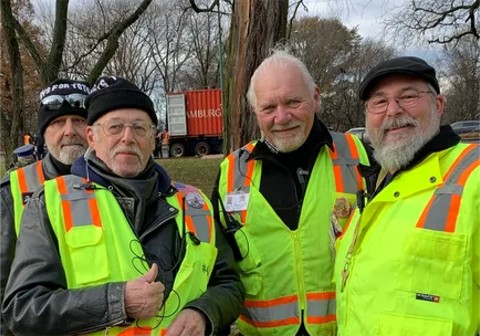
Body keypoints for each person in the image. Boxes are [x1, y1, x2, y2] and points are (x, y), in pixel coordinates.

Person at [2, 75, 244, 336]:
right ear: (92, 137)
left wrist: (204, 312)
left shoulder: (195, 204)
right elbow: (23, 309)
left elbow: (229, 284)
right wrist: (117, 302)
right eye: (115, 127)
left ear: (155, 139)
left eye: (139, 128)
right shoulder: (50, 202)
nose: (128, 138)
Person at [212, 50, 369, 335]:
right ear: (255, 111)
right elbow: (217, 271)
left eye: (293, 101)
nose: (281, 117)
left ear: (316, 98)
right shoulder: (231, 171)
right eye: (268, 108)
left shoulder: (361, 157)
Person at [334, 56, 480, 335]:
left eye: (408, 96)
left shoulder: (473, 177)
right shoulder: (378, 185)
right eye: (379, 101)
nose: (393, 111)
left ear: (438, 105)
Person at [0, 78, 90, 336]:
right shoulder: (13, 190)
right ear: (44, 133)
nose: (70, 131)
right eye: (58, 122)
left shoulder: (114, 182)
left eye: (79, 121)